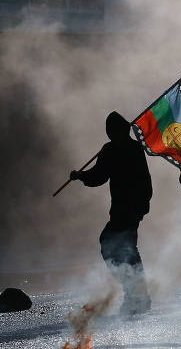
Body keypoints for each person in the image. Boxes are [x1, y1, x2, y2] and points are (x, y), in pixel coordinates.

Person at [70, 111, 153, 315]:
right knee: (119, 247)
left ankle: (137, 295)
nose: (109, 134)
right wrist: (81, 176)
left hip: (129, 209)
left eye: (111, 130)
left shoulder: (121, 149)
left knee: (117, 246)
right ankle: (137, 293)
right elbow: (99, 176)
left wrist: (81, 176)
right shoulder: (123, 148)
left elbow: (101, 176)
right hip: (124, 209)